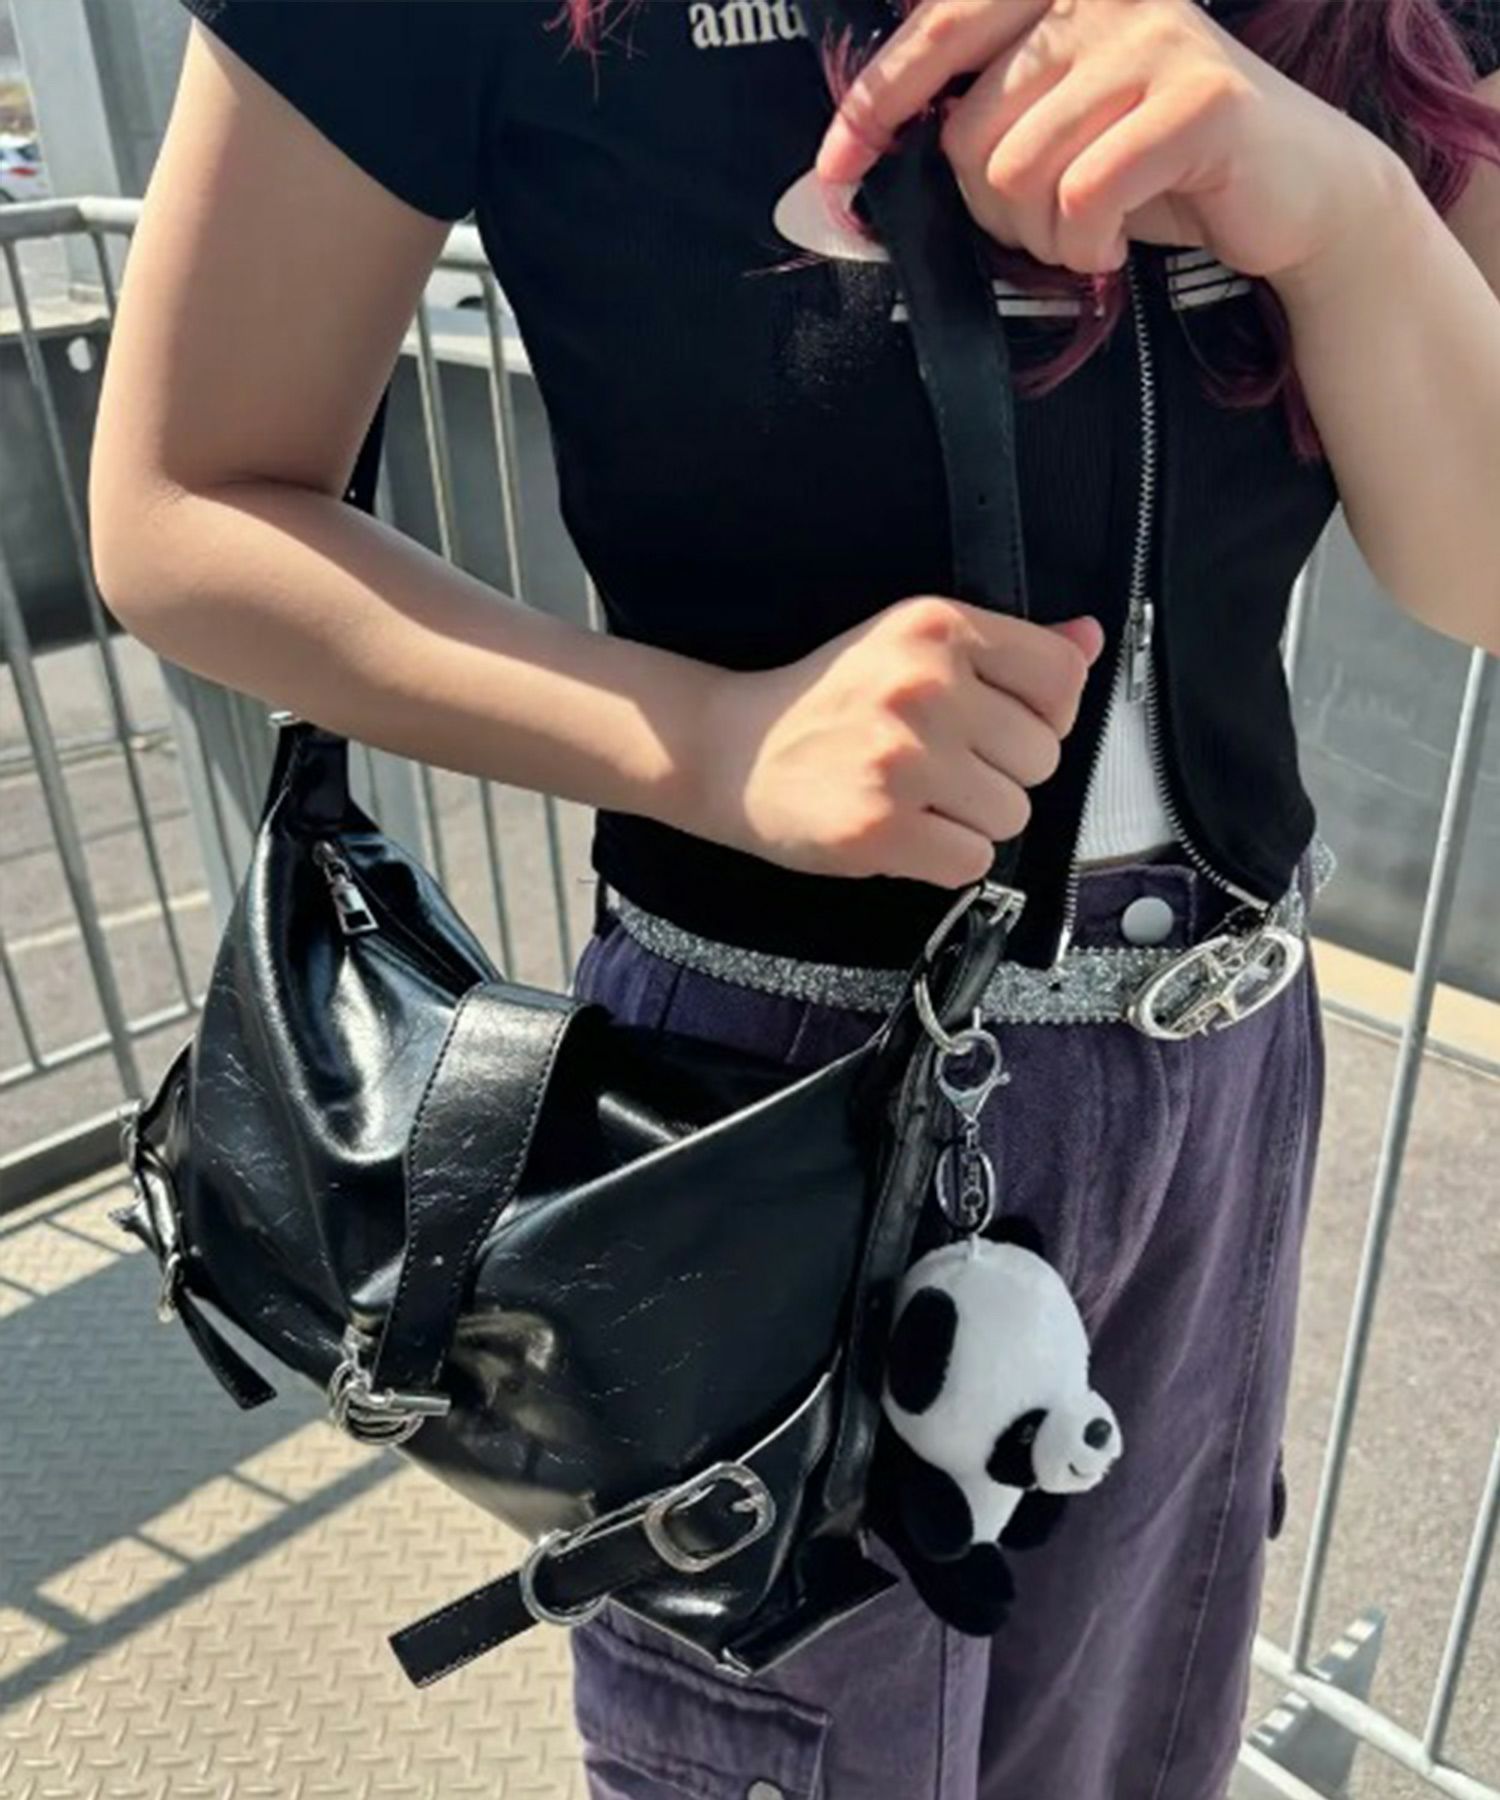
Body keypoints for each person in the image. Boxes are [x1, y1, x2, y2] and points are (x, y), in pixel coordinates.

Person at [89, 2, 1500, 1795]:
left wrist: (1348, 207)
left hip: (1219, 1060)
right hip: (762, 1100)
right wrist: (708, 740)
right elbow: (181, 501)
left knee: (1139, 1755)